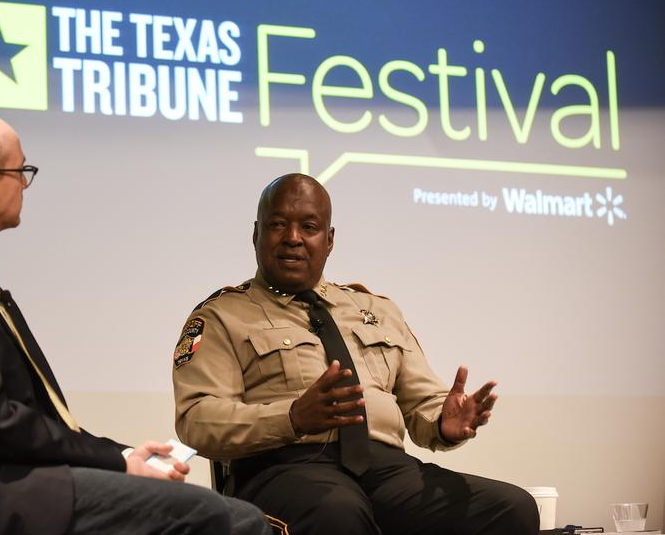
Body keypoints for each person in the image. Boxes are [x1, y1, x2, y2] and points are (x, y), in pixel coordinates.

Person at [0, 110, 269, 535]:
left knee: (234, 517)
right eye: (21, 171)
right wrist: (119, 463)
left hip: (2, 479)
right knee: (217, 516)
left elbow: (22, 417)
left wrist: (123, 454)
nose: (24, 183)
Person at [172, 173, 540, 535]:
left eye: (309, 227)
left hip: (386, 470)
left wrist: (443, 422)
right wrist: (293, 417)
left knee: (511, 508)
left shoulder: (376, 309)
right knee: (340, 513)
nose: (293, 238)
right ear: (256, 234)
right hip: (284, 469)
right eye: (278, 224)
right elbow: (196, 420)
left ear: (329, 240)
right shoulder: (221, 316)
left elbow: (422, 401)